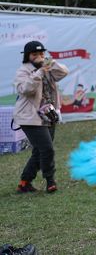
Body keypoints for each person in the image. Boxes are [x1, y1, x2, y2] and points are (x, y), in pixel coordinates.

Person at [13, 41, 69, 194]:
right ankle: (50, 181)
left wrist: (52, 63)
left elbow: (64, 72)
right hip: (29, 117)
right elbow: (25, 89)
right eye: (35, 54)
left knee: (39, 151)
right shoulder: (23, 71)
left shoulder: (47, 67)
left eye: (42, 54)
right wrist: (40, 72)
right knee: (47, 149)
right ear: (27, 56)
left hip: (48, 115)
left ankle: (24, 182)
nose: (39, 57)